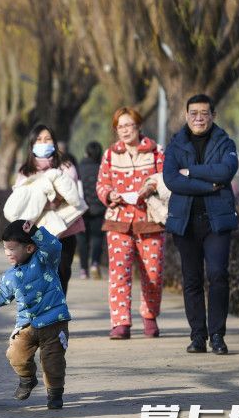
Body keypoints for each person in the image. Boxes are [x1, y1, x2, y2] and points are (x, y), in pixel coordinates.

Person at [163, 94, 239, 355]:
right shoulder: (175, 144)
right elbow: (171, 179)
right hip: (185, 222)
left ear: (212, 116)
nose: (198, 117)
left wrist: (192, 171)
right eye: (193, 113)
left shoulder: (225, 142)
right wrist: (209, 185)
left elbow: (225, 172)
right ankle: (198, 336)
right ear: (186, 115)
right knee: (192, 279)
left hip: (216, 221)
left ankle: (217, 335)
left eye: (204, 113)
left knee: (218, 275)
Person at [0, 220, 71, 410]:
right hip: (27, 325)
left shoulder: (45, 260)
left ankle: (55, 394)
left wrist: (36, 231)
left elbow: (54, 246)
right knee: (16, 354)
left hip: (54, 322)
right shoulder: (10, 276)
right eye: (5, 248)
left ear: (30, 247)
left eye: (12, 248)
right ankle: (27, 378)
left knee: (52, 361)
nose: (7, 253)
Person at [96, 107, 165, 340]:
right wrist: (109, 195)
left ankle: (149, 317)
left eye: (129, 125)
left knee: (153, 274)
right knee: (119, 273)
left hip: (150, 220)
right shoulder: (110, 154)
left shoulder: (156, 151)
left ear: (138, 126)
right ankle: (120, 322)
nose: (124, 131)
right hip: (118, 221)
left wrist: (151, 187)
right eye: (120, 127)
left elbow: (166, 180)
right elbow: (101, 184)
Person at [15, 124, 85, 294]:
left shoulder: (66, 168)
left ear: (54, 143)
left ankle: (57, 318)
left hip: (64, 233)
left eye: (47, 139)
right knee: (36, 279)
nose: (43, 143)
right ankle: (39, 318)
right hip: (35, 235)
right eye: (39, 140)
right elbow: (20, 201)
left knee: (61, 277)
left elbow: (69, 195)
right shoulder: (25, 171)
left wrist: (43, 198)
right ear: (32, 144)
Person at [76, 141, 106, 280]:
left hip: (81, 210)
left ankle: (83, 269)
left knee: (82, 240)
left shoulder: (78, 169)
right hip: (99, 209)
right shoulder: (102, 169)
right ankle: (95, 263)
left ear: (86, 153)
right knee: (97, 238)